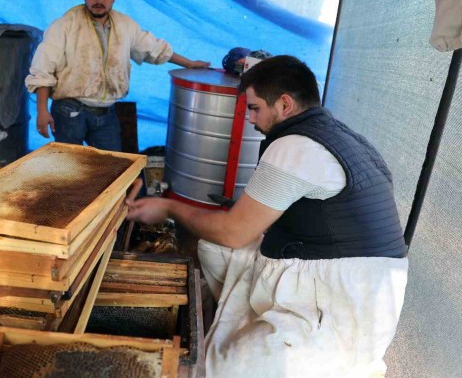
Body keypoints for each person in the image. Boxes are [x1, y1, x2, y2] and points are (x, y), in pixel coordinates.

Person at [126, 55, 409, 377]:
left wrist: (168, 207)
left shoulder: (296, 147)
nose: (249, 119)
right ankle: (224, 316)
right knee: (212, 247)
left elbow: (234, 232)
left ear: (285, 104)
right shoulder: (344, 138)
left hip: (341, 296)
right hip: (337, 269)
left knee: (225, 368)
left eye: (254, 107)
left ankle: (254, 339)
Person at [25, 0, 210, 151]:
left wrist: (189, 64)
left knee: (110, 169)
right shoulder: (64, 25)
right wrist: (42, 110)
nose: (99, 0)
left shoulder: (125, 25)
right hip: (69, 110)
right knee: (70, 169)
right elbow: (43, 68)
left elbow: (154, 49)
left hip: (107, 112)